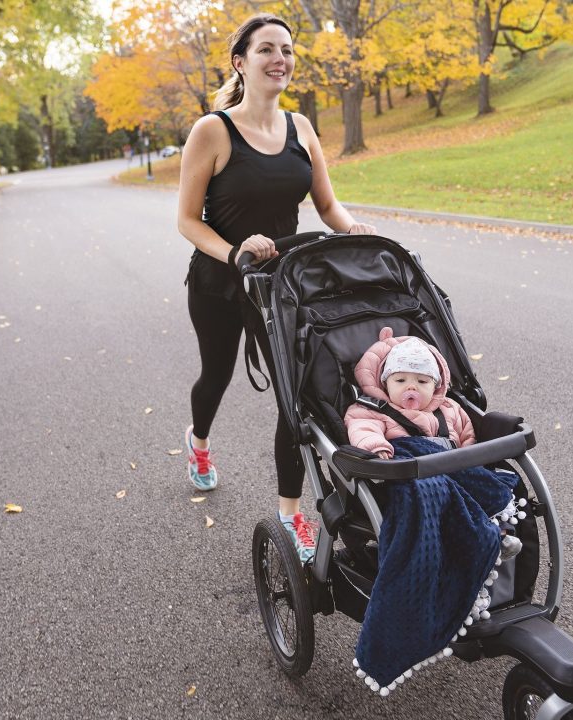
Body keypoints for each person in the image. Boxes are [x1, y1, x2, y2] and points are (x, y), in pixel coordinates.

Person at [177, 13, 376, 563]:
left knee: (296, 400)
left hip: (285, 285)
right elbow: (188, 221)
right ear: (241, 62)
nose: (279, 59)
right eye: (266, 49)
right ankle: (198, 444)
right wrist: (236, 251)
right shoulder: (212, 130)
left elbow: (327, 204)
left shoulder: (302, 128)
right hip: (221, 282)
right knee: (215, 376)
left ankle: (291, 518)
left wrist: (355, 230)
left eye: (287, 50)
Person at [343, 327, 522, 558]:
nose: (411, 386)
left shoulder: (449, 409)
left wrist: (471, 460)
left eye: (422, 381)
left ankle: (495, 531)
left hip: (453, 468)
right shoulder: (372, 410)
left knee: (480, 484)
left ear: (436, 386)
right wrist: (378, 447)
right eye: (400, 379)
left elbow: (467, 438)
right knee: (437, 491)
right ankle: (484, 538)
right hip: (408, 475)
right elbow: (364, 430)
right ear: (385, 383)